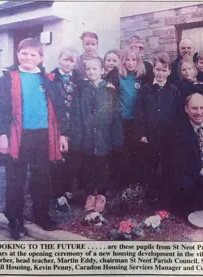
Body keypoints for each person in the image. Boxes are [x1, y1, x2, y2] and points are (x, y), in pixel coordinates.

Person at [0, 38, 67, 239]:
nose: (28, 57)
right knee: (15, 179)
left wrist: (63, 134)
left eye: (33, 54)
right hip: (17, 137)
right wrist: (1, 135)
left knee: (42, 177)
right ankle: (15, 220)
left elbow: (60, 109)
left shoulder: (48, 79)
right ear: (17, 54)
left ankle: (42, 215)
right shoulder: (7, 79)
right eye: (24, 53)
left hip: (43, 135)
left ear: (41, 58)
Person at [70, 58, 123, 213]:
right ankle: (90, 195)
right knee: (88, 167)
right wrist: (77, 137)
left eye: (95, 69)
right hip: (87, 137)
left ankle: (101, 194)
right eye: (88, 69)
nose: (92, 72)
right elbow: (76, 114)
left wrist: (116, 138)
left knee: (103, 167)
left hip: (103, 136)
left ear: (102, 70)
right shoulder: (81, 89)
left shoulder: (109, 90)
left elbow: (116, 114)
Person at [134, 53, 183, 205]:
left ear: (169, 71)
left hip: (168, 136)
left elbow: (178, 113)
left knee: (167, 166)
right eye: (158, 69)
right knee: (150, 165)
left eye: (164, 70)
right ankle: (150, 197)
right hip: (150, 135)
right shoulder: (145, 90)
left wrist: (176, 135)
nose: (161, 73)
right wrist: (141, 132)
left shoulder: (174, 91)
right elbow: (139, 112)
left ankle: (166, 198)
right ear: (153, 70)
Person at [106, 46, 146, 189]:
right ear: (122, 61)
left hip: (135, 122)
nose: (130, 63)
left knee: (135, 154)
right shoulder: (117, 76)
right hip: (120, 121)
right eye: (127, 60)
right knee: (121, 154)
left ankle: (134, 186)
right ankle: (120, 186)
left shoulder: (141, 77)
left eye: (133, 60)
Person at [50, 47, 83, 212]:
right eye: (65, 60)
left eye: (72, 61)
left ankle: (67, 189)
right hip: (56, 123)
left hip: (74, 124)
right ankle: (58, 194)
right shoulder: (51, 77)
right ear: (59, 59)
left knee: (71, 159)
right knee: (58, 159)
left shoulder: (79, 79)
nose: (68, 64)